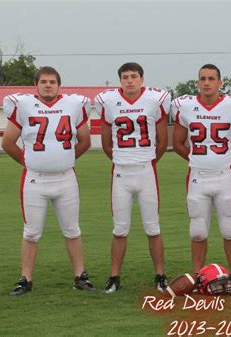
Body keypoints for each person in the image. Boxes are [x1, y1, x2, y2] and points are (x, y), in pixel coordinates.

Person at [1, 66, 94, 296]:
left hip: (66, 179)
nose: (48, 85)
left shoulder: (73, 105)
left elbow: (85, 140)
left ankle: (80, 276)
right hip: (35, 180)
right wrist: (30, 162)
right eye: (43, 81)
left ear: (59, 85)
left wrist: (67, 159)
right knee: (31, 233)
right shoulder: (23, 106)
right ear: (36, 85)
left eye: (52, 81)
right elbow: (7, 142)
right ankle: (26, 279)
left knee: (72, 230)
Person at [94, 62, 170, 293]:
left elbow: (162, 141)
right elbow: (107, 143)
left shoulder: (155, 100)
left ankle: (160, 275)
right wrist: (123, 159)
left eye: (134, 76)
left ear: (142, 79)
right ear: (120, 80)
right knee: (120, 229)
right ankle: (114, 276)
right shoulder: (108, 102)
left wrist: (145, 160)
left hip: (146, 170)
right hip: (121, 172)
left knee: (153, 228)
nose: (129, 80)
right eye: (125, 77)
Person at [171, 64, 231, 274]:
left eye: (211, 78)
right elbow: (178, 143)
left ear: (220, 82)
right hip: (197, 175)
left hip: (224, 175)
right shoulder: (185, 106)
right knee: (197, 231)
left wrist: (223, 160)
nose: (206, 83)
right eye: (203, 79)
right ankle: (198, 274)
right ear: (197, 83)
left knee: (229, 228)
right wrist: (196, 159)